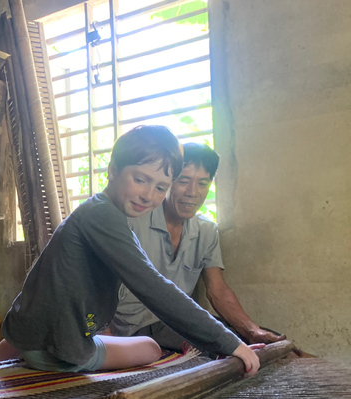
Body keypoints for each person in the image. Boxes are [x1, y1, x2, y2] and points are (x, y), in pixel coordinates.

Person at [0, 126, 263, 375]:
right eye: (140, 180)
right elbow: (153, 287)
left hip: (32, 334)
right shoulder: (104, 217)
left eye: (160, 188)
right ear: (114, 170)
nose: (149, 195)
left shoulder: (95, 210)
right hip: (60, 352)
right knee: (150, 348)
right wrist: (230, 343)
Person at [107, 143, 285, 349]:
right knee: (233, 350)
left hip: (183, 322)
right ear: (167, 183)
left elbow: (218, 291)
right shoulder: (131, 222)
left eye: (202, 183)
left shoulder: (206, 231)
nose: (192, 192)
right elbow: (96, 292)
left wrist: (253, 331)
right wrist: (110, 349)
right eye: (183, 181)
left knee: (273, 345)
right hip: (135, 330)